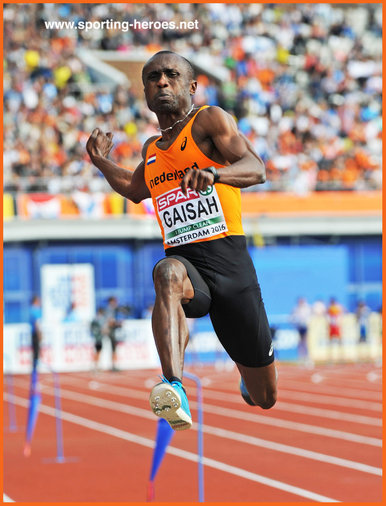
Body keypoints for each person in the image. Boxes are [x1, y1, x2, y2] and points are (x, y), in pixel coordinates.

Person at [86, 51, 277, 430]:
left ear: (191, 86)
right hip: (188, 265)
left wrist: (214, 175)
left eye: (171, 75)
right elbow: (135, 188)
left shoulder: (210, 120)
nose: (162, 82)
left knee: (264, 398)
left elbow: (257, 169)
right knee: (166, 273)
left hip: (229, 265)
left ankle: (249, 378)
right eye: (153, 77)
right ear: (144, 92)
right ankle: (173, 385)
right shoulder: (152, 151)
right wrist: (102, 161)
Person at [291, 297, 311, 363]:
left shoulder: (307, 308)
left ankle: (307, 357)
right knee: (300, 343)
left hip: (305, 327)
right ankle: (301, 357)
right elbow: (293, 317)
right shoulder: (296, 308)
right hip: (299, 327)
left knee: (305, 342)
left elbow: (308, 317)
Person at [90, 306, 107, 371]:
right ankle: (96, 365)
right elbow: (102, 329)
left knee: (98, 351)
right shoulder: (99, 319)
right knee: (98, 351)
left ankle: (96, 365)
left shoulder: (95, 319)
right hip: (98, 337)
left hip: (97, 337)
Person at [29, 295, 42, 370]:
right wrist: (39, 334)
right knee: (36, 355)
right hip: (35, 334)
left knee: (35, 355)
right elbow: (37, 323)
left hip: (33, 333)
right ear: (36, 301)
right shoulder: (36, 310)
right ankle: (34, 379)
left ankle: (34, 378)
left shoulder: (31, 310)